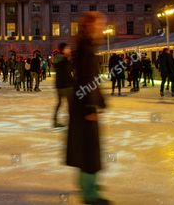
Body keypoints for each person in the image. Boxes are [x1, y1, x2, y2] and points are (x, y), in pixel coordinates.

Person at [66, 12, 110, 205]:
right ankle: (89, 193)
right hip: (84, 103)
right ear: (90, 26)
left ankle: (86, 183)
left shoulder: (85, 45)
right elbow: (86, 78)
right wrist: (90, 107)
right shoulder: (86, 47)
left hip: (82, 101)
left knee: (84, 147)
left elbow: (89, 77)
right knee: (90, 150)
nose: (101, 28)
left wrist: (99, 100)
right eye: (99, 24)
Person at [53, 42, 74, 128]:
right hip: (66, 85)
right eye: (68, 48)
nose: (69, 50)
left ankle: (55, 120)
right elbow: (68, 73)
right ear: (64, 50)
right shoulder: (64, 60)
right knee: (70, 103)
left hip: (59, 85)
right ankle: (72, 122)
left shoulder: (58, 59)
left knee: (60, 103)